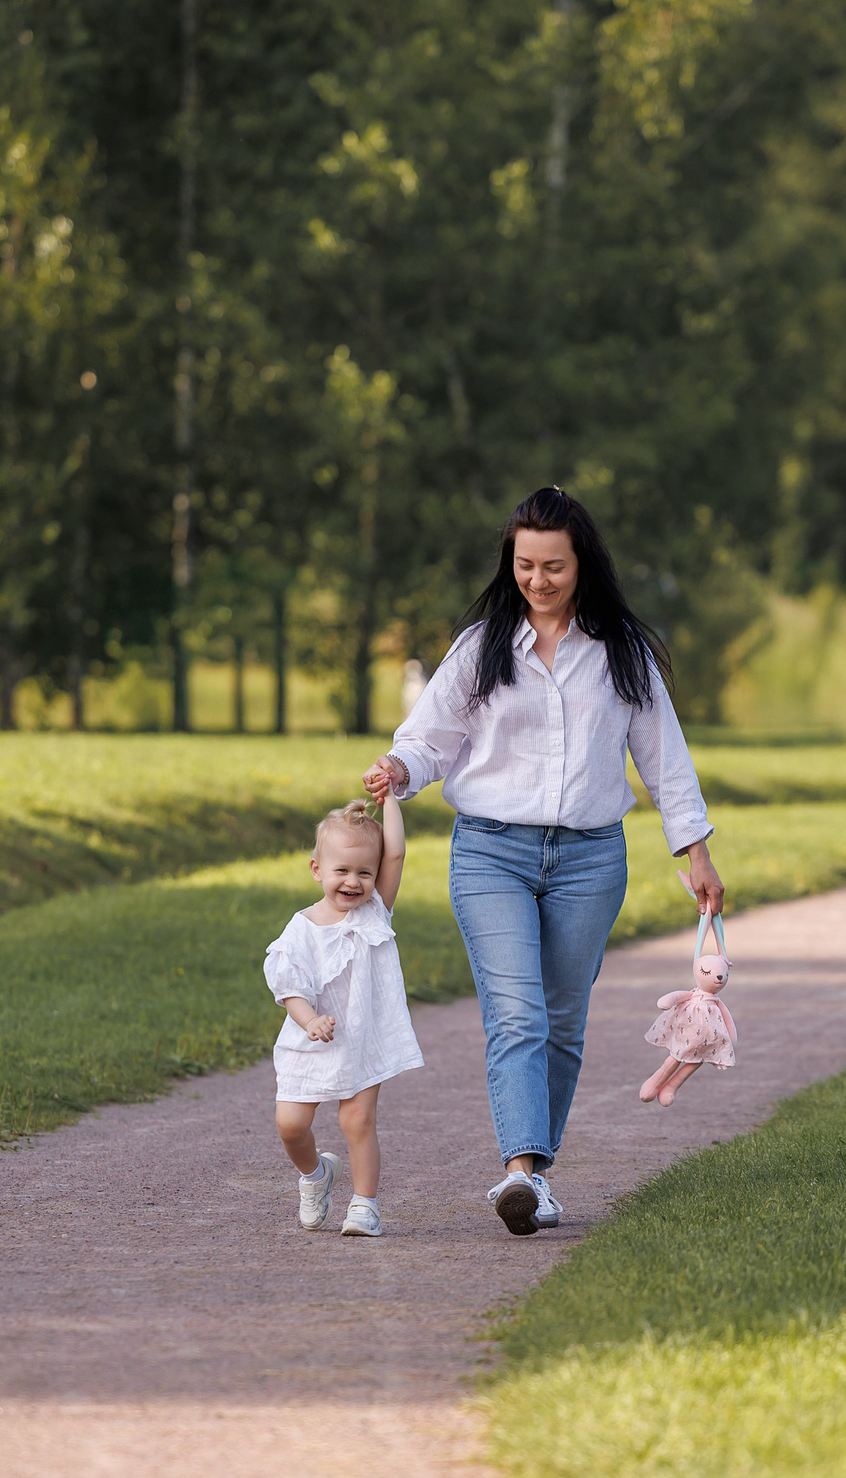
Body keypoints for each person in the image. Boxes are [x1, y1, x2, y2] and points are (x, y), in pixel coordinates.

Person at [367, 485, 723, 1236]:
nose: (538, 579)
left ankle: (538, 1175)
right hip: (492, 851)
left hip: (590, 861)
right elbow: (429, 738)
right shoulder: (483, 647)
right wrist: (400, 769)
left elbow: (664, 759)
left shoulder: (621, 651)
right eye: (526, 564)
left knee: (562, 1020)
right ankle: (519, 1175)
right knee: (519, 1014)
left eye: (553, 566)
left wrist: (694, 851)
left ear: (581, 563)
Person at [262, 794, 420, 1238]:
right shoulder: (301, 928)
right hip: (309, 1038)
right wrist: (309, 1019)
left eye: (364, 873)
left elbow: (397, 851)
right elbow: (288, 985)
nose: (353, 882)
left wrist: (390, 799)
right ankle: (316, 1176)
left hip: (361, 1037)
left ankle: (364, 1205)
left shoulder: (374, 913)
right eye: (342, 871)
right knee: (290, 1125)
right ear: (317, 870)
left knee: (357, 1120)